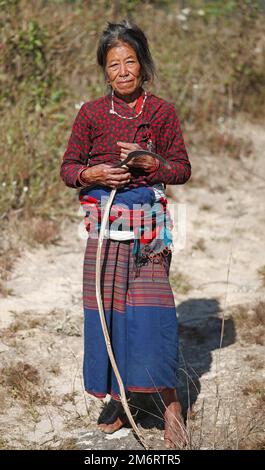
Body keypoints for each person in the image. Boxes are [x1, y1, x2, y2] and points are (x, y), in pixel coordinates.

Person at [60, 20, 191, 449]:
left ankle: (172, 410)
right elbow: (68, 169)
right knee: (108, 316)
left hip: (148, 232)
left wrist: (151, 163)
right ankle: (120, 401)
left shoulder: (162, 113)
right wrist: (92, 172)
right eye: (113, 64)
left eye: (129, 61)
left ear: (143, 65)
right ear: (104, 69)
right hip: (104, 230)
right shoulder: (91, 114)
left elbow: (182, 169)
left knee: (152, 318)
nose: (122, 71)